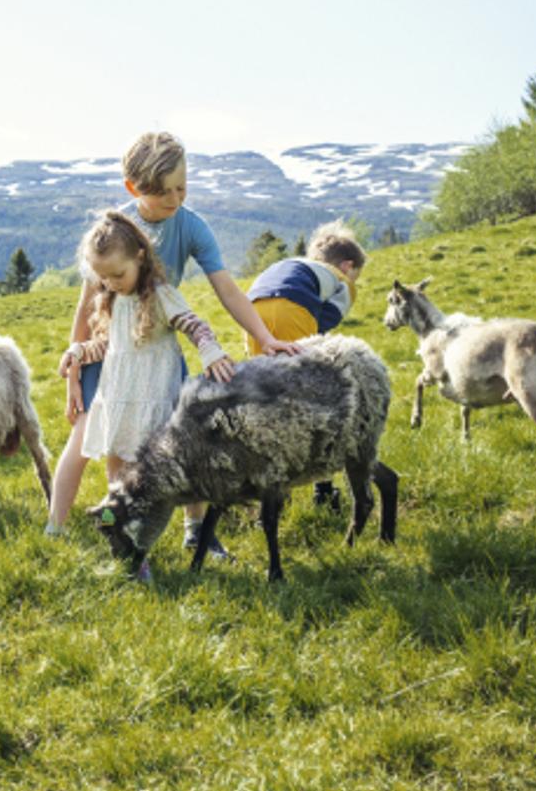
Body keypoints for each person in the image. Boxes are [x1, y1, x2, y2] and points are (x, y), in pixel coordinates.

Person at [46, 131, 285, 537]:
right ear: (133, 188)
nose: (174, 200)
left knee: (184, 437)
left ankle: (196, 531)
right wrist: (74, 368)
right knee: (95, 442)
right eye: (162, 193)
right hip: (110, 350)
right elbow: (87, 303)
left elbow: (225, 290)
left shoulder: (190, 229)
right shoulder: (113, 232)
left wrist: (265, 336)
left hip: (157, 350)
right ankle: (62, 528)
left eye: (181, 188)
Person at [47, 208, 236, 537]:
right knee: (117, 482)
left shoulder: (162, 296)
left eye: (118, 275)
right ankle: (115, 530)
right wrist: (78, 351)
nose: (110, 284)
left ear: (140, 256)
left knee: (169, 475)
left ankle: (193, 531)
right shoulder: (113, 300)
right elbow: (106, 345)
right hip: (121, 404)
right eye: (103, 278)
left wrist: (210, 350)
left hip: (155, 403)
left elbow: (194, 326)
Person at [247, 221, 366, 345]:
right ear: (347, 266)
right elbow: (330, 316)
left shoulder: (294, 264)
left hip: (251, 311)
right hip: (291, 310)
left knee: (261, 362)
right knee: (294, 361)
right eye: (355, 276)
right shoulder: (342, 279)